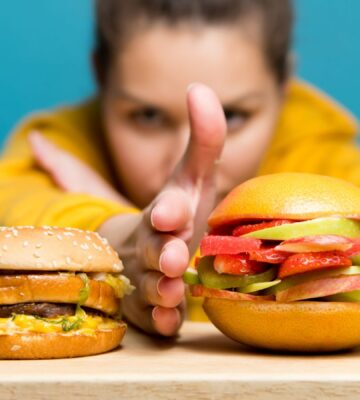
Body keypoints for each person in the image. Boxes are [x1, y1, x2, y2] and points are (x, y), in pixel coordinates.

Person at [1, 0, 360, 336]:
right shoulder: (55, 146)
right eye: (148, 116)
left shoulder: (329, 160)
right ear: (102, 79)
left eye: (232, 116)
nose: (181, 158)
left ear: (284, 85)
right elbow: (16, 205)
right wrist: (119, 237)